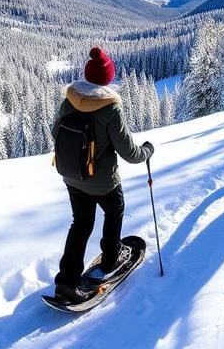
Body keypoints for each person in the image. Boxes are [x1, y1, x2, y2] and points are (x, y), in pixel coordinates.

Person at [52, 47, 154, 303]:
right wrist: (147, 151)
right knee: (114, 210)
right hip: (103, 182)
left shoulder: (70, 100)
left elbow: (56, 134)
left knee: (81, 223)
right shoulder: (110, 110)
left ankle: (67, 279)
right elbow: (130, 153)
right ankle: (111, 255)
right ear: (108, 79)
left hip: (72, 177)